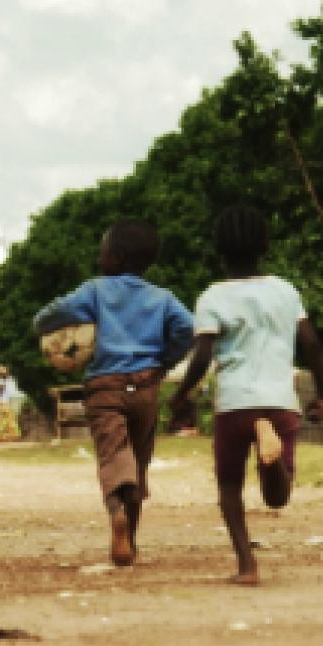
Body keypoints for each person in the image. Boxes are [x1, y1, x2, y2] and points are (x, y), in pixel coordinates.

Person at [169, 205, 323, 586]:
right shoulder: (285, 290)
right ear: (264, 245)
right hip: (280, 401)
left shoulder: (212, 297)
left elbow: (202, 355)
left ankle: (247, 566)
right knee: (277, 498)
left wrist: (182, 394)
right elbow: (311, 343)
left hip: (235, 403)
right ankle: (270, 460)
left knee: (229, 486)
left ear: (218, 249)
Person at [33, 219, 194, 566]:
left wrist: (41, 324)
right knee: (139, 459)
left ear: (115, 257)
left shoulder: (95, 291)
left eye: (102, 250)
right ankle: (130, 539)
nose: (99, 256)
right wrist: (165, 360)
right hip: (147, 387)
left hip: (105, 386)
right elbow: (187, 327)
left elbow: (55, 313)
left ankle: (116, 514)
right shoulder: (162, 298)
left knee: (113, 455)